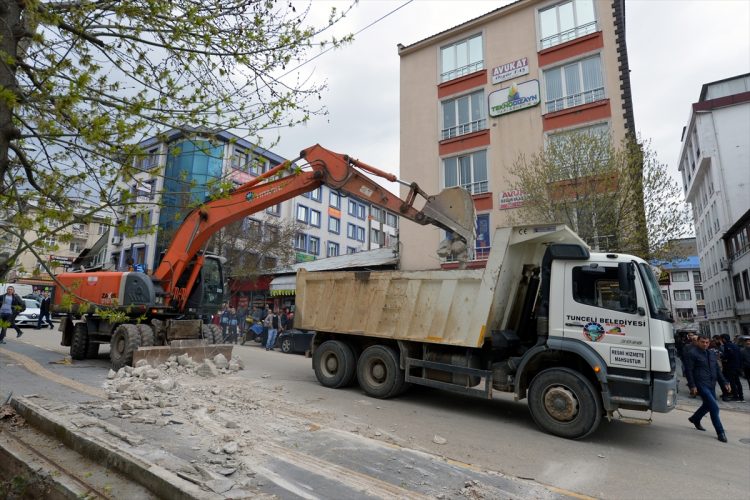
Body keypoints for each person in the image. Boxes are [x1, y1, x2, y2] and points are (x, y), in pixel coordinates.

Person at [684, 335, 731, 442]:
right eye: (702, 342)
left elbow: (717, 370)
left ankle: (695, 418)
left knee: (707, 405)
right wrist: (692, 385)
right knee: (714, 407)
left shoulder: (712, 354)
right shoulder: (692, 353)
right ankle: (720, 432)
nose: (705, 344)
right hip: (701, 384)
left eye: (706, 342)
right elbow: (689, 370)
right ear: (698, 342)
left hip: (712, 384)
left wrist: (725, 382)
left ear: (709, 343)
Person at [719, 334, 744, 402]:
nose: (721, 341)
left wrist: (722, 357)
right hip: (737, 366)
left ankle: (736, 396)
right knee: (738, 382)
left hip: (730, 367)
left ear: (723, 339)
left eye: (721, 339)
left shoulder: (727, 346)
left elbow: (727, 356)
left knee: (732, 382)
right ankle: (741, 397)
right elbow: (739, 356)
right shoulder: (735, 345)